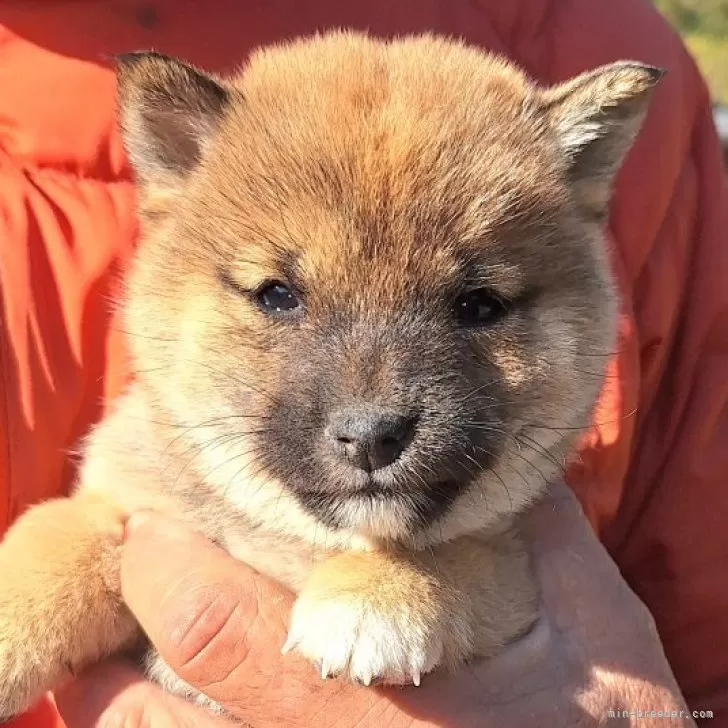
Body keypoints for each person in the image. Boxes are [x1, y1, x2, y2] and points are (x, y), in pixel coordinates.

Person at [0, 1, 726, 726]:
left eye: (477, 305)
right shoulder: (152, 461)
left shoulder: (591, 29)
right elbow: (96, 533)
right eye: (279, 297)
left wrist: (427, 586)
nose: (372, 412)